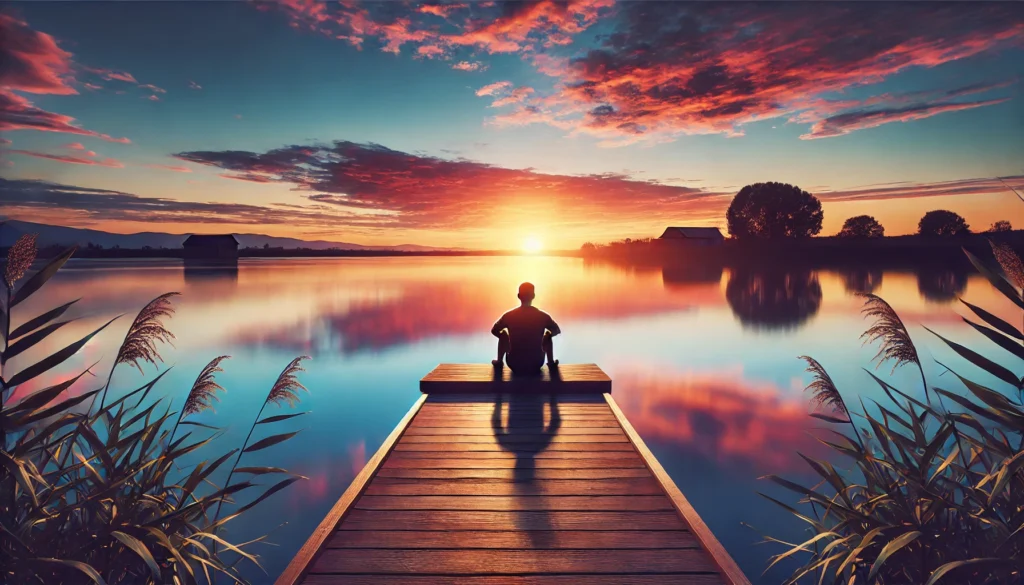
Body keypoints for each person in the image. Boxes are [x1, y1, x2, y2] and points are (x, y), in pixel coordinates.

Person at [491, 282, 560, 375]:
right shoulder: (543, 316)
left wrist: (508, 342)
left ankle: (499, 362)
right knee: (548, 335)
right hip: (536, 363)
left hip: (514, 363)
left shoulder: (509, 315)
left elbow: (494, 330)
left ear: (519, 296)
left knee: (503, 334)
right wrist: (543, 338)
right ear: (533, 296)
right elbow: (556, 330)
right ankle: (551, 363)